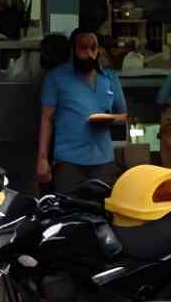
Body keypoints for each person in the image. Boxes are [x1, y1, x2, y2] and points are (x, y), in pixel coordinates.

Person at [37, 28, 128, 193]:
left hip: (103, 161)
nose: (89, 53)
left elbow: (123, 115)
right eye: (83, 48)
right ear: (73, 49)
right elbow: (46, 118)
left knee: (102, 207)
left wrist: (109, 119)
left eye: (93, 48)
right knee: (69, 206)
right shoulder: (56, 77)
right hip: (68, 162)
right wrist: (42, 158)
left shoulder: (109, 78)